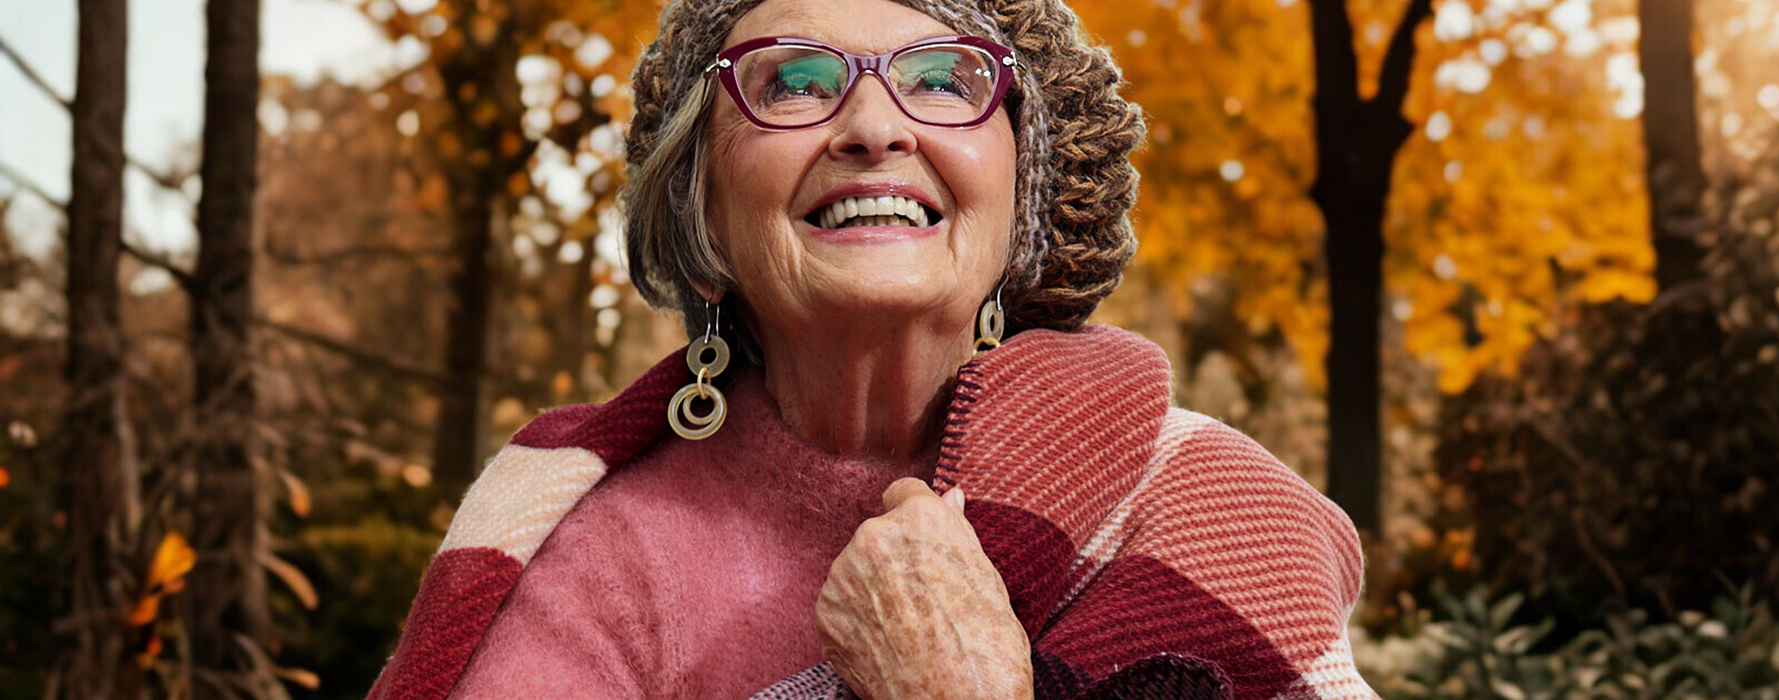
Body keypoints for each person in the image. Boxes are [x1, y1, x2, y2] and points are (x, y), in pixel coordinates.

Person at [367, 0, 1373, 697]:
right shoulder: (590, 552)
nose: (873, 127)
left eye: (942, 79)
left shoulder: (1214, 506)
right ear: (701, 208)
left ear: (1027, 194)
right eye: (792, 83)